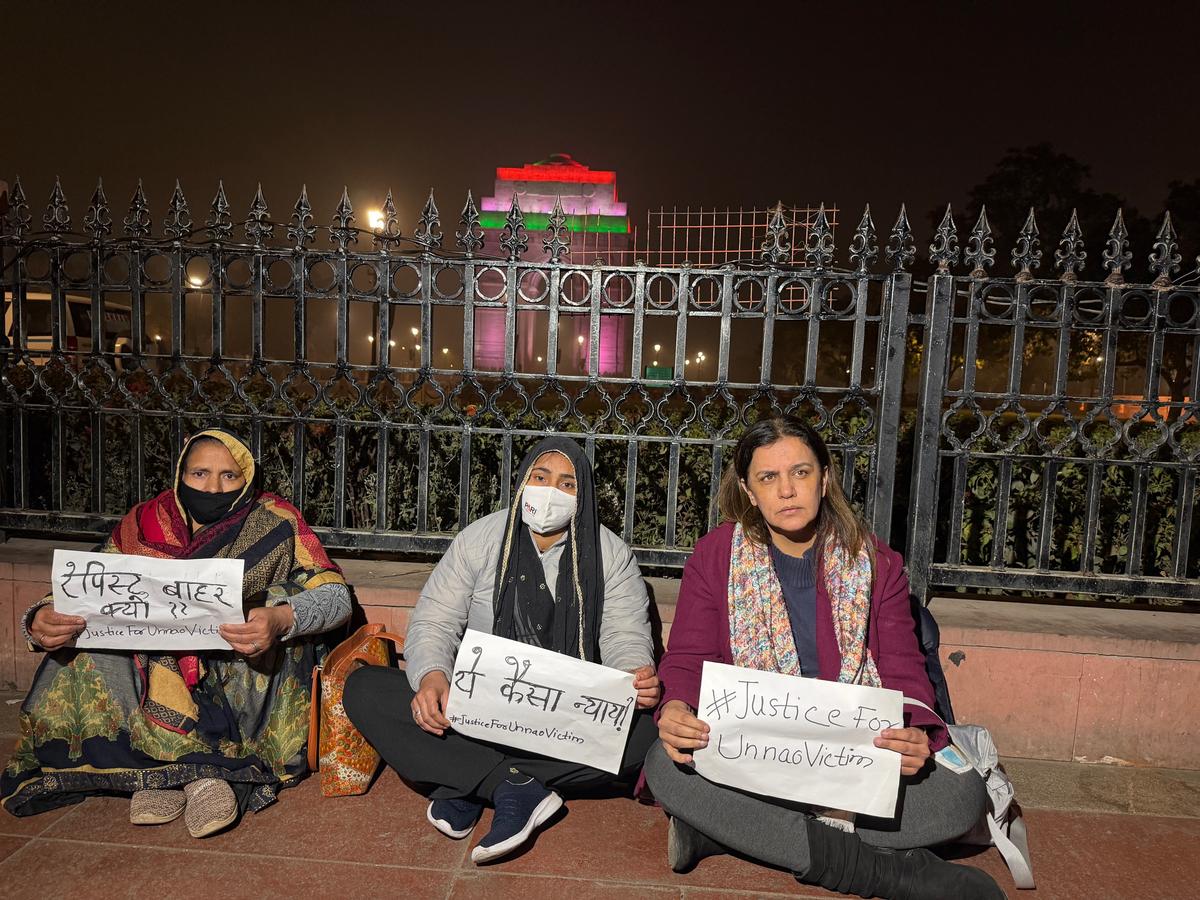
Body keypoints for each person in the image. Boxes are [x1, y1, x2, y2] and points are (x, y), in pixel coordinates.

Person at [643, 416, 1004, 899]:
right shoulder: (715, 555)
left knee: (958, 799)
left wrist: (915, 732)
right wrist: (675, 709)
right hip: (758, 752)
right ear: (749, 491)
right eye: (768, 478)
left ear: (825, 479)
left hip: (854, 754)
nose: (787, 491)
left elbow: (903, 667)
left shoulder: (876, 561)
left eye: (801, 473)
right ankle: (884, 871)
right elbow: (689, 654)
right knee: (666, 765)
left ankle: (730, 832)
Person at [2, 429, 351, 838]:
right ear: (180, 474)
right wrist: (42, 615)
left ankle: (199, 769)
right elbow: (91, 584)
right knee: (91, 631)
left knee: (276, 600)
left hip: (236, 673)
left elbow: (335, 596)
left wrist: (281, 619)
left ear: (248, 479)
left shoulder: (275, 521)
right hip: (152, 670)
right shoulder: (144, 521)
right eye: (200, 473)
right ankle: (165, 769)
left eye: (229, 476)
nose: (213, 486)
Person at [343, 436, 660, 864]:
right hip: (477, 709)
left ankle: (465, 776)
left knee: (648, 735)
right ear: (523, 480)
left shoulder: (610, 553)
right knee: (364, 689)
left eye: (567, 484)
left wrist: (633, 674)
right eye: (540, 477)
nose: (549, 492)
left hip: (561, 719)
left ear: (583, 493)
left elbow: (625, 634)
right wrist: (433, 676)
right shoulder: (481, 538)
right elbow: (436, 619)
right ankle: (513, 787)